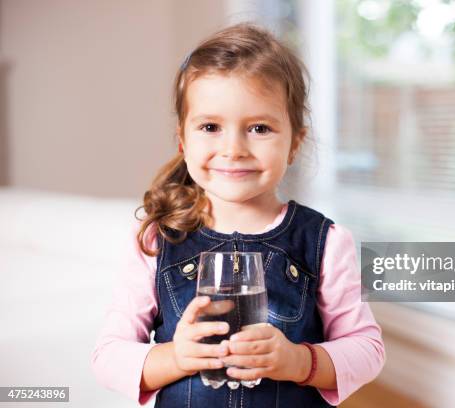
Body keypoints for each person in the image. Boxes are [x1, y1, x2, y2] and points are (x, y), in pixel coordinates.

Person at [91, 22, 385, 408]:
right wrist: (174, 358)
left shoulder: (325, 242)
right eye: (210, 127)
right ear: (183, 139)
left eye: (259, 128)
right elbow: (107, 357)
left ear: (294, 142)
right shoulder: (156, 239)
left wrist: (300, 362)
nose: (233, 149)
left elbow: (367, 349)